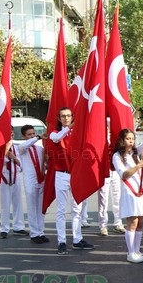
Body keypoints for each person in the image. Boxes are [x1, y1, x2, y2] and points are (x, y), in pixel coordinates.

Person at [49, 107, 94, 255]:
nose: (66, 118)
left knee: (77, 209)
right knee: (61, 210)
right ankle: (61, 241)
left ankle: (77, 239)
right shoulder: (55, 133)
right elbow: (57, 138)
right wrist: (68, 128)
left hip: (76, 174)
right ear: (59, 118)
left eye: (68, 116)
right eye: (63, 116)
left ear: (72, 117)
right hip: (62, 175)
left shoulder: (76, 133)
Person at [112, 129, 143, 263]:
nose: (131, 141)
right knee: (133, 222)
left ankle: (137, 250)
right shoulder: (117, 156)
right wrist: (139, 166)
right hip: (129, 191)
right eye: (128, 138)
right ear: (122, 140)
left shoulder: (134, 152)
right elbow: (124, 174)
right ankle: (130, 253)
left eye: (132, 138)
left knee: (141, 222)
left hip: (140, 189)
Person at [16, 125, 49, 244]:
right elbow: (25, 145)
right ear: (24, 136)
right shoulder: (22, 148)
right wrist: (39, 137)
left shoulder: (40, 149)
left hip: (40, 179)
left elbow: (44, 163)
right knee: (32, 208)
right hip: (30, 181)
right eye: (29, 134)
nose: (32, 136)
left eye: (33, 133)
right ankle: (34, 233)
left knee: (41, 208)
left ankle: (41, 231)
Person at [0, 129, 27, 238]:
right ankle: (4, 228)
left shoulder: (16, 147)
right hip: (4, 177)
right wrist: (6, 149)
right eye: (8, 132)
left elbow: (20, 163)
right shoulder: (0, 148)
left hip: (15, 177)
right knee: (5, 204)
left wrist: (14, 157)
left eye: (12, 132)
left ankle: (18, 226)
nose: (11, 134)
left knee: (18, 202)